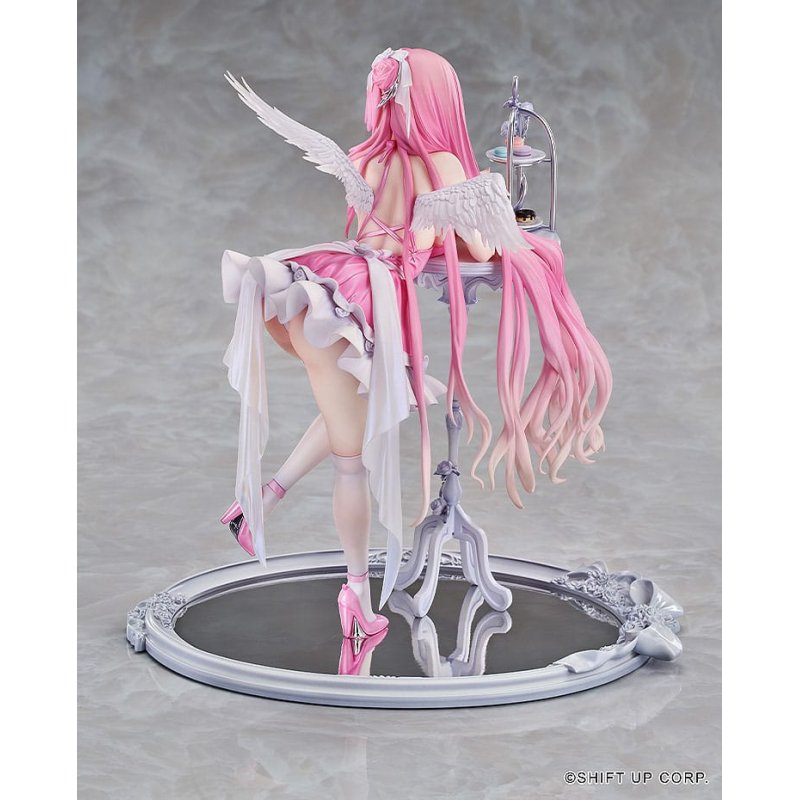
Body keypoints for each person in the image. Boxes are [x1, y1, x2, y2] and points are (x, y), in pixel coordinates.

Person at [218, 48, 612, 640]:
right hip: (363, 307)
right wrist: (498, 226)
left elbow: (375, 229)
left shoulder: (363, 159)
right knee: (352, 462)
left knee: (347, 410)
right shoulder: (446, 167)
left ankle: (258, 503)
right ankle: (356, 598)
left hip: (319, 287)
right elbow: (484, 249)